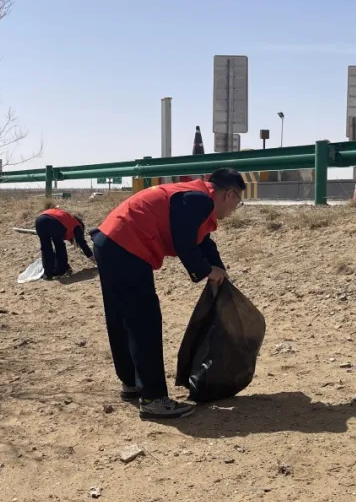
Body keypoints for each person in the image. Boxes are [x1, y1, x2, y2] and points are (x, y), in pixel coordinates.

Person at [92, 169, 245, 419]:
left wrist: (219, 270)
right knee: (145, 322)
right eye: (237, 203)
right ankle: (153, 398)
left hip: (110, 241)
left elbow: (202, 241)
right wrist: (206, 270)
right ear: (229, 194)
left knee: (122, 317)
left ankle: (133, 382)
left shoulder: (193, 196)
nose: (233, 210)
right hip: (126, 246)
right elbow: (184, 240)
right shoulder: (199, 200)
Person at [35, 208, 94, 279]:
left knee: (46, 247)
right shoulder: (77, 225)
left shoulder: (67, 218)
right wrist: (91, 256)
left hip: (39, 221)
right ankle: (61, 270)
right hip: (53, 222)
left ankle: (47, 274)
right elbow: (82, 243)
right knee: (59, 246)